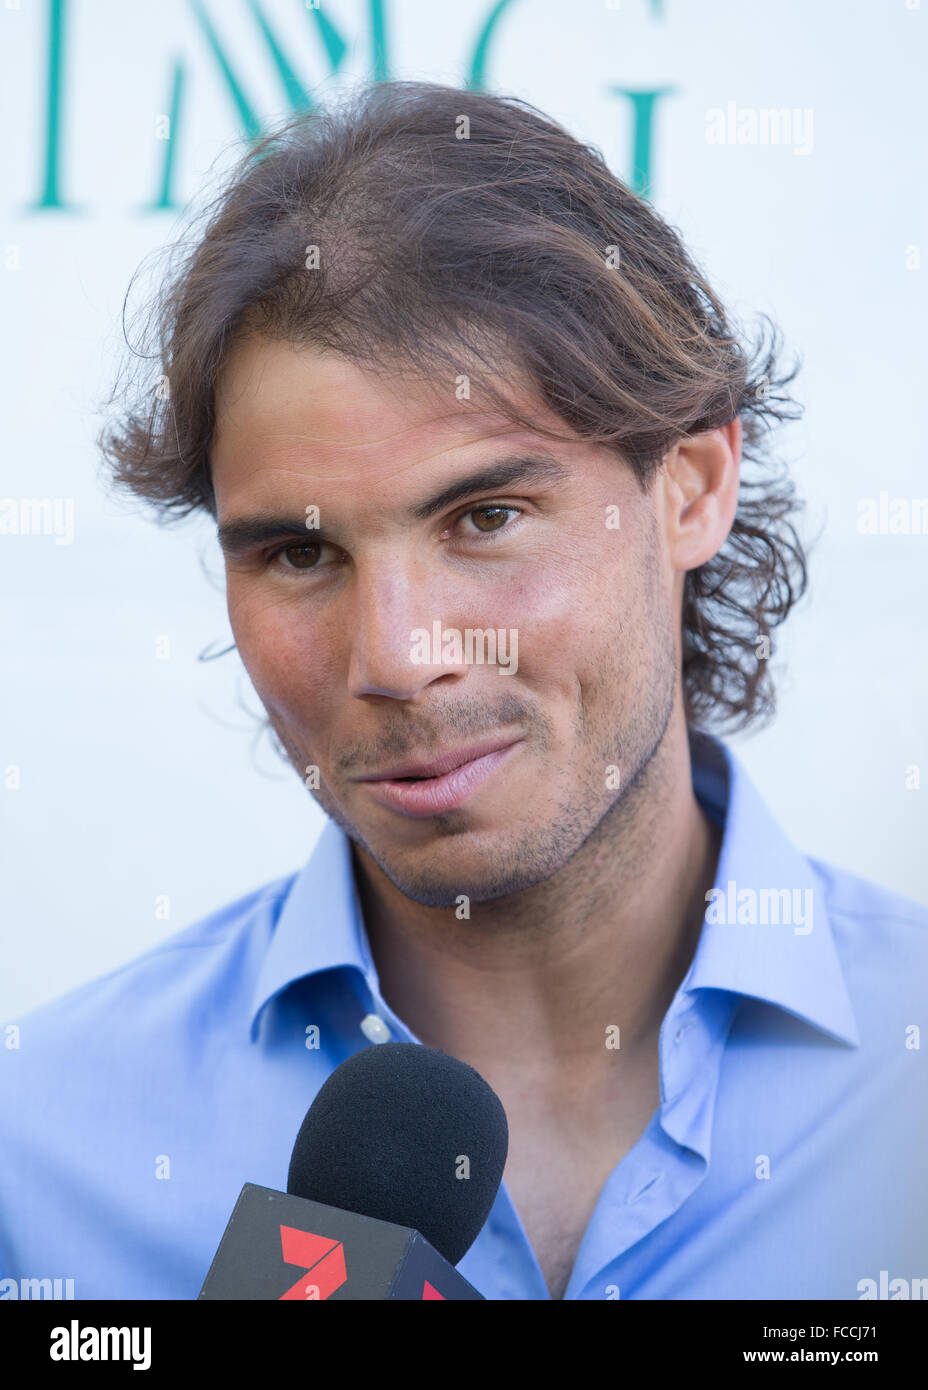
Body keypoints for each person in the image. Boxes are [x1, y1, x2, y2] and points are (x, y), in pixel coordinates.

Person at [2, 81, 925, 1302]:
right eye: (298, 552)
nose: (395, 655)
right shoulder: (40, 1157)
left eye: (485, 517)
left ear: (690, 490)